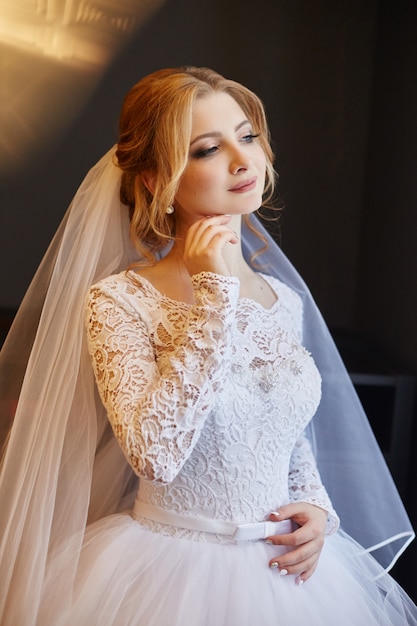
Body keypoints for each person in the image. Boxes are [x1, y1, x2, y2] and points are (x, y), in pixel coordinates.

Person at [0, 66, 416, 625]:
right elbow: (155, 454)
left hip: (287, 581)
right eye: (207, 149)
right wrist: (213, 298)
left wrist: (317, 509)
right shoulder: (120, 301)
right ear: (155, 179)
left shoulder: (282, 300)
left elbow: (287, 436)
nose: (243, 161)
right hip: (166, 578)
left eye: (247, 137)